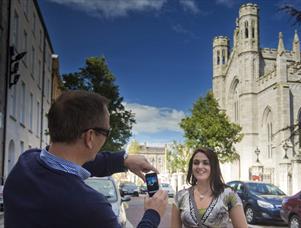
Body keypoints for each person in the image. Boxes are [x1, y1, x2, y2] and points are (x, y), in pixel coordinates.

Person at [4, 90, 168, 228]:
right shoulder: (91, 207)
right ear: (90, 137)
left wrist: (123, 160)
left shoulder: (25, 163)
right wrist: (152, 214)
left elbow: (70, 163)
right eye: (106, 132)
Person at [171, 148, 247, 228]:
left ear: (213, 166)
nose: (200, 166)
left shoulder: (229, 195)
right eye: (196, 163)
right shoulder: (180, 196)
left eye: (206, 163)